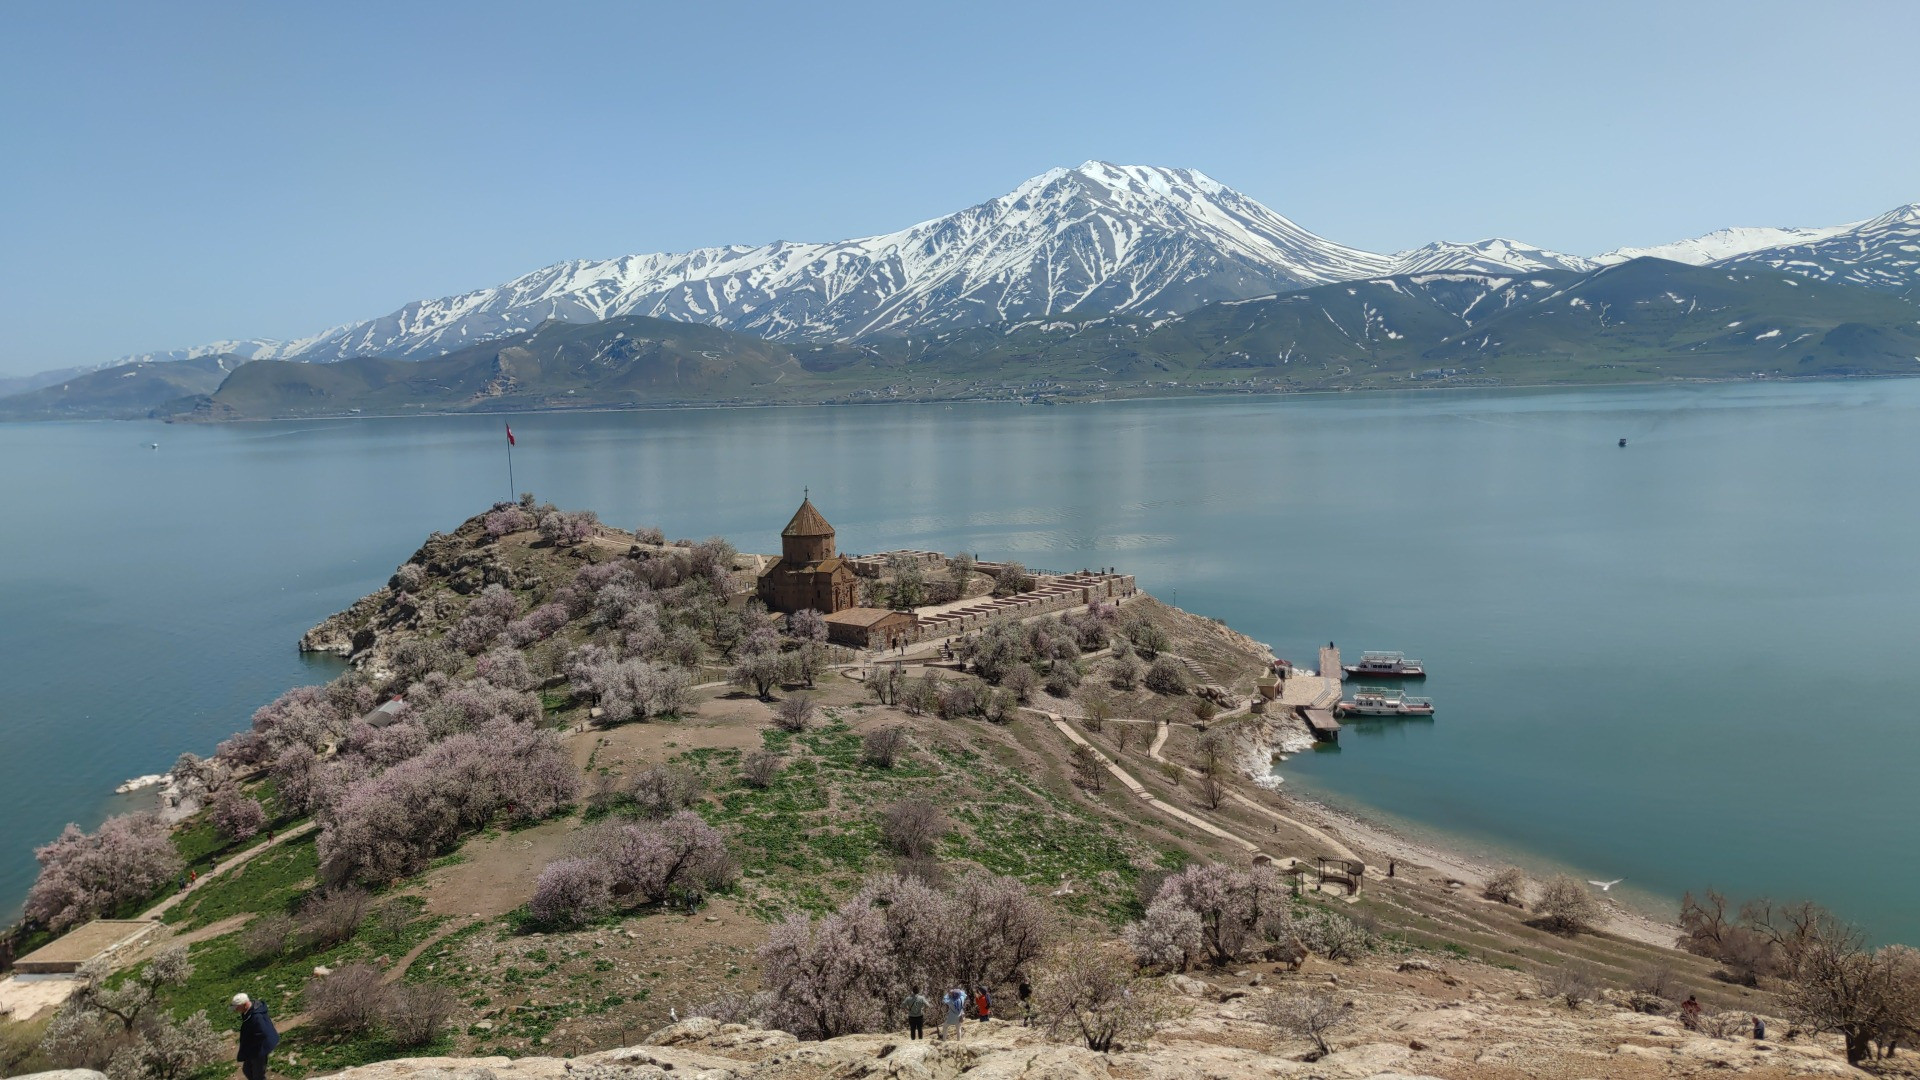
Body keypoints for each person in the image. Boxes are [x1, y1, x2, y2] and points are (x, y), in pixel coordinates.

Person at [232, 993, 278, 1080]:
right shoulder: (249, 1010)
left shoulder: (256, 1016)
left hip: (259, 1048)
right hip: (252, 1049)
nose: (236, 1009)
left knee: (258, 1076)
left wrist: (252, 1041)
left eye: (237, 1007)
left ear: (244, 1004)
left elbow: (263, 1032)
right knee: (247, 1070)